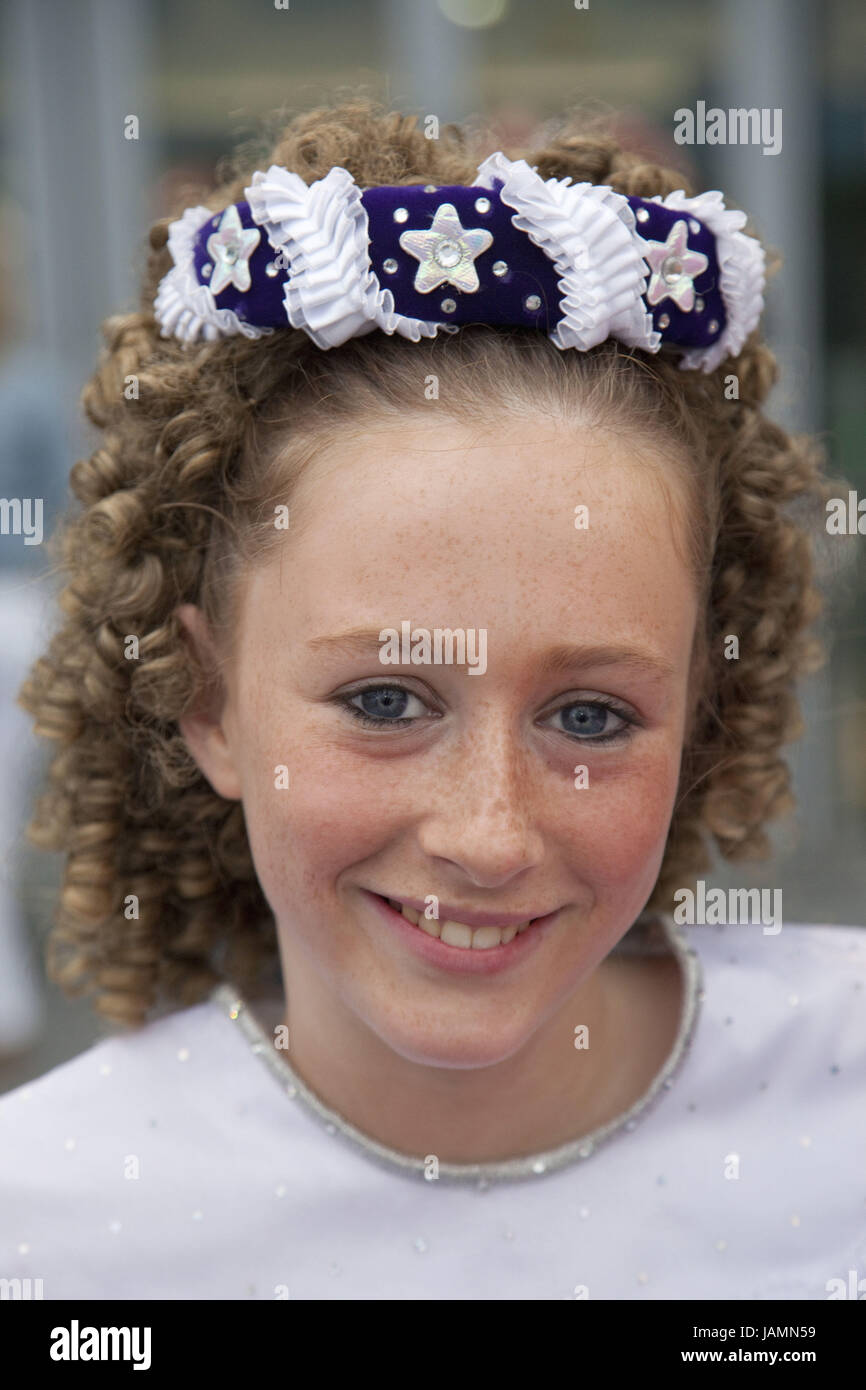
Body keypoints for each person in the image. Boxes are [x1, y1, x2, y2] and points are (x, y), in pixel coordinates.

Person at [0, 100, 862, 1302]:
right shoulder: (47, 1228)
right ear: (207, 702)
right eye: (386, 698)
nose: (489, 834)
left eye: (589, 717)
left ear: (702, 707)